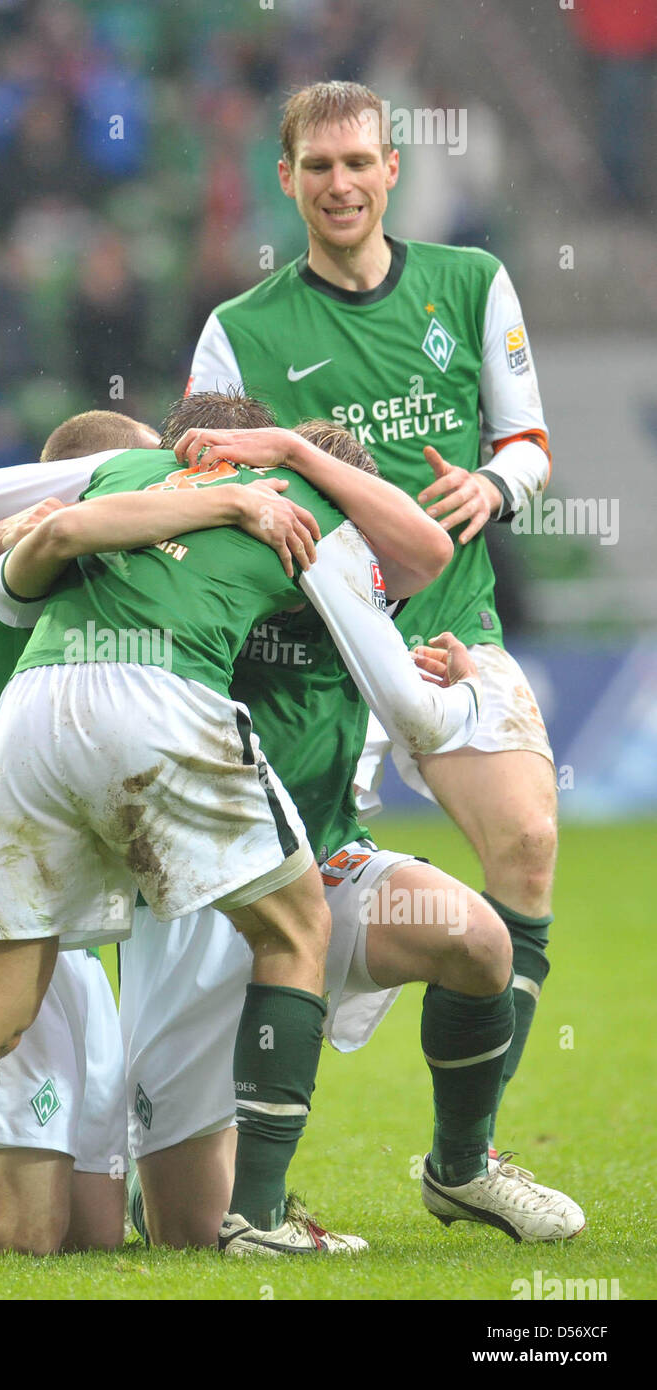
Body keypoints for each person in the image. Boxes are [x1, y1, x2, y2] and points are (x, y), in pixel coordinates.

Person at [0, 388, 456, 1263]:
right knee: (296, 928)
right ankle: (256, 1218)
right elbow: (425, 556)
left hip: (35, 730)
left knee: (72, 1198)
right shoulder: (273, 503)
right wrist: (246, 496)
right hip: (152, 704)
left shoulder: (103, 503)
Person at [187, 80, 559, 1156]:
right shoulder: (238, 332)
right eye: (318, 168)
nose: (340, 184)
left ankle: (463, 1159)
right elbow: (205, 474)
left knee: (526, 843)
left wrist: (493, 488)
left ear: (393, 169)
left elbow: (527, 442)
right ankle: (194, 1139)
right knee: (254, 917)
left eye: (359, 164)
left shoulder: (470, 282)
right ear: (286, 179)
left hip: (451, 628)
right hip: (307, 658)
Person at [117, 421, 583, 1248]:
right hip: (199, 886)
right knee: (180, 1233)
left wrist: (301, 458)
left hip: (322, 859)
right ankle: (161, 1182)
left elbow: (426, 553)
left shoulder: (359, 578)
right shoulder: (209, 546)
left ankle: (462, 1166)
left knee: (476, 942)